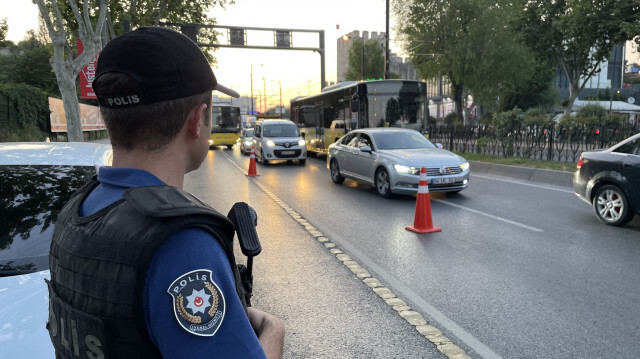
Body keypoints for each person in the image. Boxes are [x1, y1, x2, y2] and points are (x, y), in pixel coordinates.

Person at [46, 26, 285, 358]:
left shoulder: (75, 211)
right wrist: (274, 331)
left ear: (108, 117)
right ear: (197, 120)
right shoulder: (181, 243)